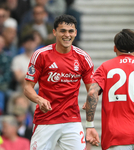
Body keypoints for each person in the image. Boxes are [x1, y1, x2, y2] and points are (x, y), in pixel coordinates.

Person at [23, 14, 94, 150]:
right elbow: (27, 88)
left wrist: (92, 96)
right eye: (63, 31)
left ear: (75, 33)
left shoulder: (83, 58)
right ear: (54, 32)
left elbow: (93, 88)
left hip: (71, 120)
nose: (67, 35)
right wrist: (39, 99)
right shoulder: (41, 55)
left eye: (70, 31)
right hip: (45, 120)